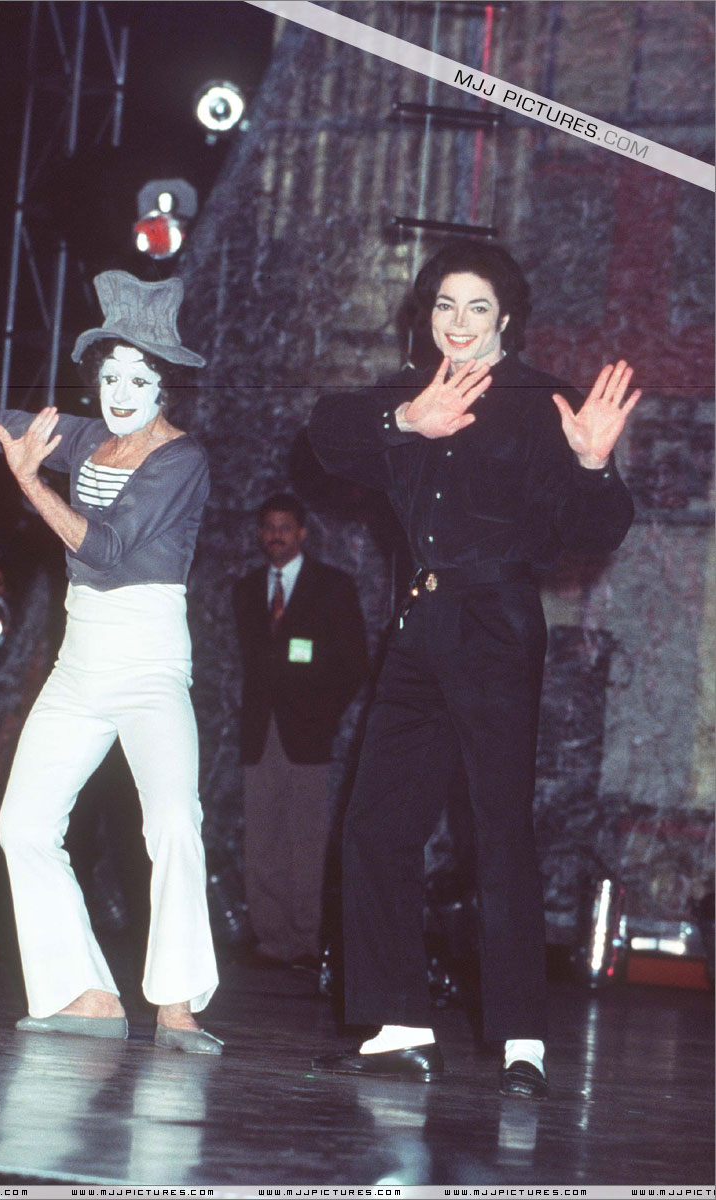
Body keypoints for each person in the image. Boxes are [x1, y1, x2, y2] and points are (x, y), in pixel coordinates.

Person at [307, 239, 641, 1096]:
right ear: (426, 314)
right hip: (418, 624)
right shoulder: (407, 391)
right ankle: (399, 1026)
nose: (458, 322)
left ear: (507, 319)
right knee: (375, 824)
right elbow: (324, 436)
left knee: (498, 828)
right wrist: (405, 422)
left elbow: (594, 531)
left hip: (496, 623)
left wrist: (593, 464)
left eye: (478, 307)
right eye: (445, 305)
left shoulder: (540, 403)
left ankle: (523, 1041)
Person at [0, 271, 222, 1053]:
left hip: (150, 659)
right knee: (22, 824)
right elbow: (4, 423)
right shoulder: (87, 437)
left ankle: (178, 1005)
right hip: (81, 658)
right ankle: (84, 994)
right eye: (111, 376)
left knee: (173, 822)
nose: (122, 393)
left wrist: (28, 480)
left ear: (166, 385)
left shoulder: (181, 460)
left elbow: (107, 547)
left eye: (139, 379)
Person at [233, 493, 369, 969]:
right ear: (260, 534)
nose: (276, 536)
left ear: (302, 533)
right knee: (262, 839)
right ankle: (270, 939)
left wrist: (322, 715)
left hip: (308, 736)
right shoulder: (246, 589)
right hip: (259, 735)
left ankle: (305, 939)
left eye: (285, 527)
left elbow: (354, 664)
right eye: (269, 528)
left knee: (306, 840)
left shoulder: (332, 587)